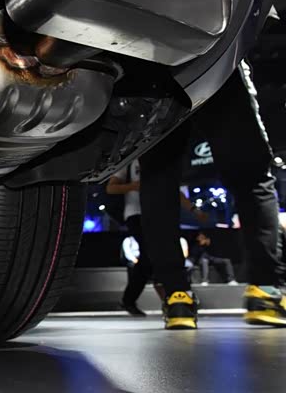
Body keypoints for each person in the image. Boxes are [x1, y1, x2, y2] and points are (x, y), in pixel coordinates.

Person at [139, 60, 285, 329]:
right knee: (252, 176)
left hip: (151, 64)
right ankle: (266, 292)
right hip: (215, 60)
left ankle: (177, 297)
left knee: (158, 178)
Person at [107, 159, 147, 316]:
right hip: (135, 214)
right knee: (148, 255)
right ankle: (128, 300)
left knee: (152, 257)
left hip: (157, 213)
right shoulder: (131, 161)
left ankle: (129, 300)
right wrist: (133, 186)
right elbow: (111, 188)